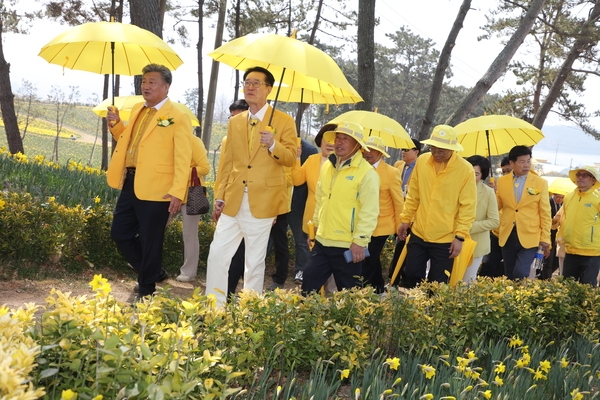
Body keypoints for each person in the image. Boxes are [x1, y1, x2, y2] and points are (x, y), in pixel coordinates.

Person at [205, 66, 297, 306]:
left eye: (257, 83)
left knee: (254, 262)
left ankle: (249, 310)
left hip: (263, 202)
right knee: (217, 254)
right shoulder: (236, 122)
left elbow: (290, 159)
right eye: (247, 82)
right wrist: (220, 195)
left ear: (269, 89)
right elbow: (228, 162)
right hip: (232, 201)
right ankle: (214, 307)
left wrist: (274, 145)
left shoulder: (284, 121)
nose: (250, 87)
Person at [106, 63, 193, 298]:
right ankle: (153, 271)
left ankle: (146, 289)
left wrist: (178, 192)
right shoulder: (137, 109)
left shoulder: (178, 116)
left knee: (151, 240)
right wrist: (116, 126)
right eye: (144, 82)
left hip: (160, 189)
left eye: (152, 82)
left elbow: (183, 158)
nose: (146, 86)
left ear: (166, 87)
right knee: (120, 233)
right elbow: (130, 141)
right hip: (131, 181)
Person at [301, 122, 380, 293]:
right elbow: (321, 198)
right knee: (308, 283)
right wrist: (314, 225)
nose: (339, 142)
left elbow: (370, 212)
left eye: (345, 139)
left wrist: (359, 241)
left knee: (348, 294)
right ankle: (307, 319)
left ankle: (347, 321)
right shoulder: (328, 165)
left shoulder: (367, 173)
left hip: (348, 245)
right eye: (338, 138)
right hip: (322, 240)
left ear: (357, 145)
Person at [397, 125, 476, 288]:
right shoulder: (423, 161)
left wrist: (459, 237)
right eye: (434, 149)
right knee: (410, 275)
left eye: (442, 151)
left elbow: (467, 206)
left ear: (452, 149)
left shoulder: (465, 170)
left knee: (438, 283)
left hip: (445, 238)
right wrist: (405, 219)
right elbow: (414, 195)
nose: (437, 154)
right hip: (419, 232)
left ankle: (431, 312)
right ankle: (412, 309)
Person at [496, 145, 551, 280]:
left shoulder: (540, 183)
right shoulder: (502, 181)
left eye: (528, 161)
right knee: (509, 274)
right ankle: (514, 300)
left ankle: (521, 297)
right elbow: (497, 206)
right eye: (522, 162)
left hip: (530, 235)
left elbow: (545, 212)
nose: (526, 165)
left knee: (521, 272)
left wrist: (545, 238)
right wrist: (491, 195)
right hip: (508, 234)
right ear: (512, 163)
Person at [361, 136, 404, 293]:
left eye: (372, 150)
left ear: (380, 153)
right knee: (369, 256)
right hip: (362, 223)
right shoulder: (359, 169)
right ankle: (378, 285)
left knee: (369, 256)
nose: (368, 153)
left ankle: (366, 290)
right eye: (365, 149)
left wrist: (401, 226)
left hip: (382, 225)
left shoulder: (392, 173)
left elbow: (398, 202)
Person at [175, 135, 210, 282]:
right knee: (154, 228)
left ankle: (189, 272)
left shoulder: (194, 141)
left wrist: (182, 172)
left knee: (189, 234)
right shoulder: (166, 140)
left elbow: (205, 168)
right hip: (168, 192)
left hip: (191, 193)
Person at [559, 166, 600, 286]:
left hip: (591, 252)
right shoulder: (568, 197)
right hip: (571, 250)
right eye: (578, 175)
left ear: (593, 180)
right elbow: (564, 219)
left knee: (587, 288)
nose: (580, 177)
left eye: (585, 175)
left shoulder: (597, 199)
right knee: (567, 287)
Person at [388, 139, 421, 285]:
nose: (403, 152)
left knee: (405, 250)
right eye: (402, 149)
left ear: (416, 152)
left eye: (407, 150)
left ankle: (399, 279)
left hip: (412, 216)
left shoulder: (421, 168)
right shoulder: (398, 165)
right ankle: (392, 278)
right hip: (398, 212)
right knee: (398, 247)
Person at [462, 156, 499, 283]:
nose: (472, 177)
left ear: (482, 175)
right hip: (449, 242)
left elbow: (494, 221)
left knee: (466, 283)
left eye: (476, 174)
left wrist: (467, 227)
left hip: (475, 245)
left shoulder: (488, 192)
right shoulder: (454, 188)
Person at [286, 138, 318, 284]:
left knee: (301, 241)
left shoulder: (309, 151)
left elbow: (302, 180)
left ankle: (301, 270)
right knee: (271, 239)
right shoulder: (273, 145)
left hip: (298, 205)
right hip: (279, 202)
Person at [479, 156, 512, 278]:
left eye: (508, 170)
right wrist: (491, 195)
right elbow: (490, 209)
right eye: (503, 171)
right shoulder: (498, 185)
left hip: (511, 235)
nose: (505, 174)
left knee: (510, 271)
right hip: (496, 233)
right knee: (487, 266)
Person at [539, 191, 564, 280]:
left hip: (559, 236)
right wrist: (554, 220)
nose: (559, 199)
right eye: (557, 197)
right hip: (549, 235)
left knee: (556, 261)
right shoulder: (548, 203)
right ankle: (546, 279)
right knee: (548, 260)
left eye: (561, 197)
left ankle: (542, 275)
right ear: (553, 195)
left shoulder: (564, 205)